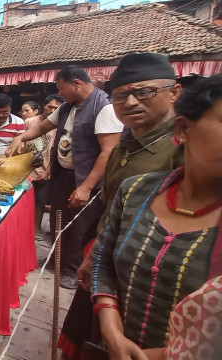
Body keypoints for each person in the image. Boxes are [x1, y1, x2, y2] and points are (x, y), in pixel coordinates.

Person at [58, 53, 185, 360]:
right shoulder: (122, 147)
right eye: (120, 95)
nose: (130, 103)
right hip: (109, 265)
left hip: (155, 280)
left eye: (144, 92)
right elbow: (110, 210)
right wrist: (95, 254)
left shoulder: (184, 149)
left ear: (174, 92)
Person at [91, 74, 221, 359]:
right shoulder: (135, 190)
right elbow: (103, 256)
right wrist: (111, 330)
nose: (131, 103)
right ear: (183, 129)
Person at [7, 65, 123, 289]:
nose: (60, 94)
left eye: (62, 89)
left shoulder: (104, 108)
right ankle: (56, 259)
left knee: (80, 226)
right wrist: (20, 138)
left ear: (76, 83)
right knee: (58, 219)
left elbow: (108, 152)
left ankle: (71, 269)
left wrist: (86, 187)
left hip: (87, 179)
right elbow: (42, 127)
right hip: (63, 175)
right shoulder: (67, 107)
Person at [26, 95, 64, 242]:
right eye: (50, 106)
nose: (52, 110)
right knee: (26, 200)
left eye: (56, 108)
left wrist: (48, 171)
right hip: (27, 168)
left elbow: (56, 151)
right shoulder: (29, 122)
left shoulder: (59, 126)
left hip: (45, 169)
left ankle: (37, 228)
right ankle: (26, 227)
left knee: (41, 201)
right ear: (44, 106)